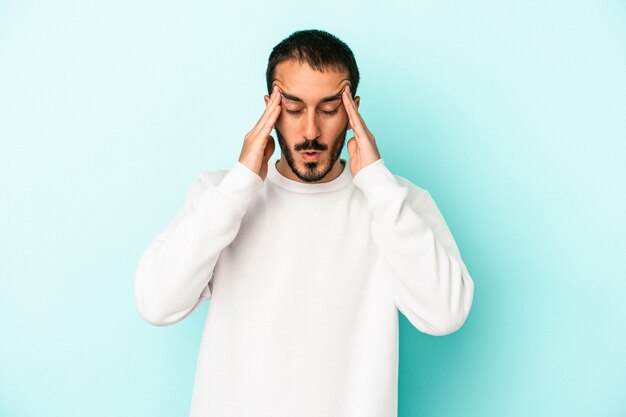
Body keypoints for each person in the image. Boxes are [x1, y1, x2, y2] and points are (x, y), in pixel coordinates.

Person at [134, 29, 475, 417]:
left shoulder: (396, 203)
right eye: (294, 109)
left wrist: (377, 183)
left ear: (353, 111)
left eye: (329, 109)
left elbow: (446, 313)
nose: (310, 131)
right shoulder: (220, 196)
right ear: (270, 109)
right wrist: (239, 185)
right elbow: (157, 303)